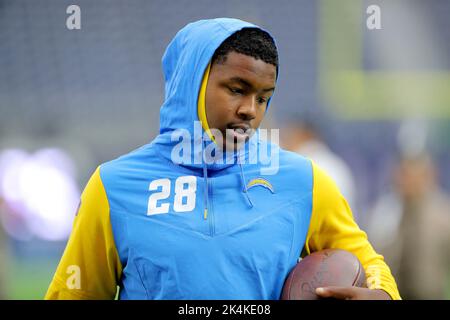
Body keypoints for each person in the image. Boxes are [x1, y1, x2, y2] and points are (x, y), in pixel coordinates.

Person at [45, 18, 400, 300]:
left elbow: (368, 262)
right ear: (192, 83)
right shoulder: (113, 186)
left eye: (263, 98)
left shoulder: (303, 180)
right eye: (236, 90)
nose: (250, 110)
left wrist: (381, 293)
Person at [367, 152, 450, 299]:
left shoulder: (443, 214)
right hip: (395, 292)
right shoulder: (386, 211)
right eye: (405, 175)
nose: (410, 181)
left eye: (416, 175)